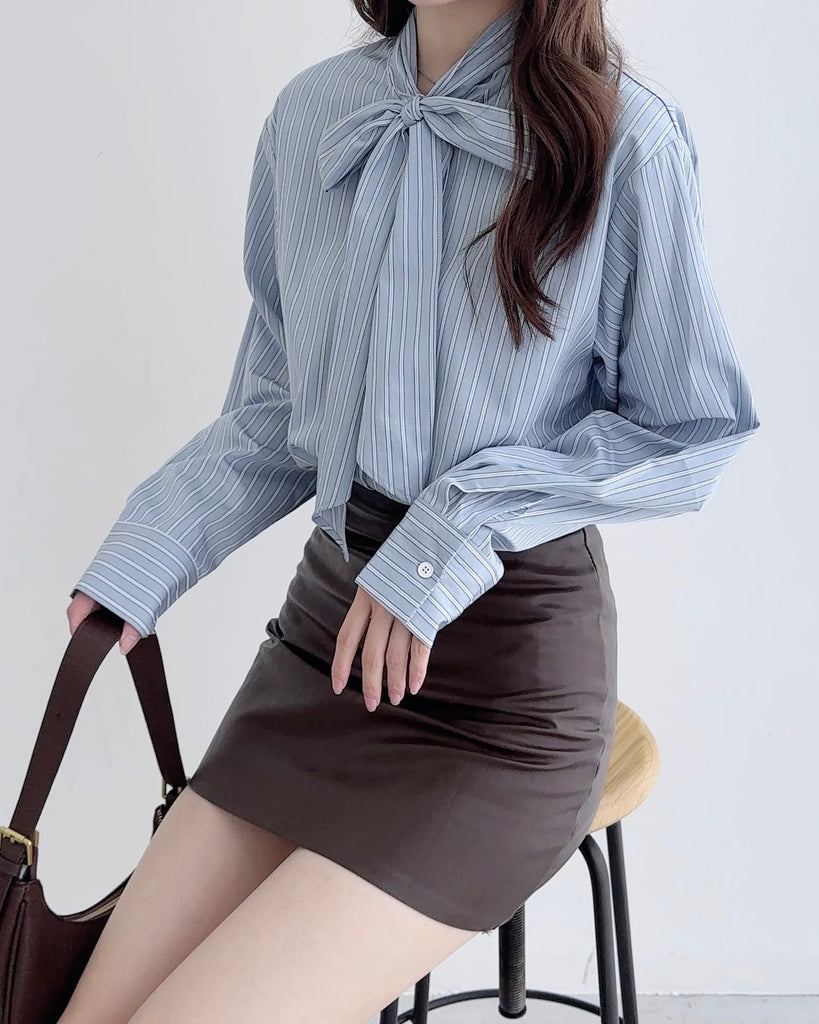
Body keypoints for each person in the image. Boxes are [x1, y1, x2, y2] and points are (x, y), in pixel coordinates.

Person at [59, 1, 760, 1022]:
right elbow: (275, 413)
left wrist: (452, 529)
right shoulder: (313, 115)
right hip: (322, 656)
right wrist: (144, 555)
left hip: (503, 702)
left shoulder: (625, 139)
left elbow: (692, 428)